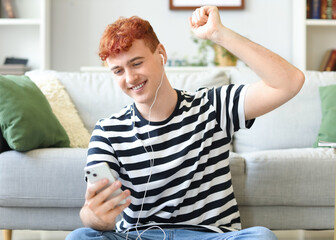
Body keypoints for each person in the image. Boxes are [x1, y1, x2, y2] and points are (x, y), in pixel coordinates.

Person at [67, 5, 304, 240]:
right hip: (139, 237)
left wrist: (218, 34)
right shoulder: (108, 131)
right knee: (80, 237)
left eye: (136, 63)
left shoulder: (213, 106)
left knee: (262, 237)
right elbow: (90, 212)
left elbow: (289, 82)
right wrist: (96, 217)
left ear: (161, 54)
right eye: (118, 71)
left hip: (210, 236)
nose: (130, 78)